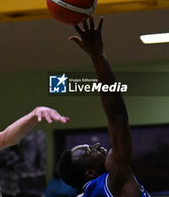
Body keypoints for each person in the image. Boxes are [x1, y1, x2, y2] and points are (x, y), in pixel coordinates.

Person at [58, 16, 150, 197]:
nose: (97, 145)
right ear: (91, 173)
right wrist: (97, 56)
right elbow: (117, 115)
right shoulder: (114, 177)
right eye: (90, 150)